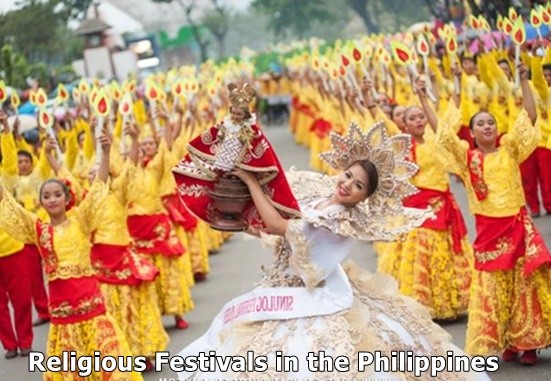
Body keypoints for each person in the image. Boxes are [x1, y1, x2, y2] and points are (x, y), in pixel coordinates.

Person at [174, 122, 490, 380]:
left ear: (364, 197)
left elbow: (279, 226)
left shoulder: (339, 218)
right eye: (349, 175)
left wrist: (250, 182)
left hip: (314, 293)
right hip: (286, 284)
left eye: (357, 186)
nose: (347, 185)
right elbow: (278, 217)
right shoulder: (322, 195)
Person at [0, 125, 143, 381]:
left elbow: (99, 186)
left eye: (57, 195)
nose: (52, 199)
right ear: (41, 201)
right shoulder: (38, 230)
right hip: (63, 313)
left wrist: (107, 151)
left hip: (91, 304)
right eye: (47, 196)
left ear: (67, 199)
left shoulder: (81, 219)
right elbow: (8, 206)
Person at [433, 63, 551, 365]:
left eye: (491, 123)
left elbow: (530, 117)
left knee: (523, 284)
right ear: (471, 133)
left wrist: (524, 80)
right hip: (488, 233)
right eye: (481, 124)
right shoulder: (466, 159)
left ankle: (527, 344)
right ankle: (505, 341)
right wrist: (452, 86)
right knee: (493, 289)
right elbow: (444, 134)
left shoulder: (510, 149)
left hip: (516, 225)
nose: (488, 127)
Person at [173, 82, 301, 233]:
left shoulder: (250, 128)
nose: (235, 116)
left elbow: (258, 147)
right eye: (233, 112)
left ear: (245, 114)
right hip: (224, 157)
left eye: (238, 114)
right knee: (222, 180)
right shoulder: (225, 124)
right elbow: (213, 137)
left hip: (243, 163)